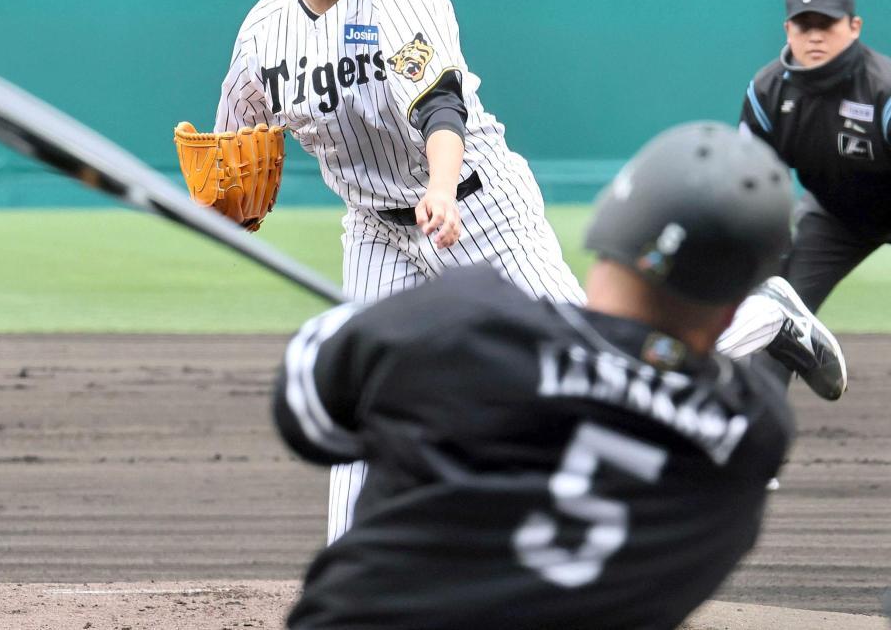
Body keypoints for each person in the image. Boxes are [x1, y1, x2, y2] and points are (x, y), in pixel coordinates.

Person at [208, 0, 843, 540]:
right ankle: (345, 560)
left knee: (603, 368)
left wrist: (442, 189)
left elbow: (439, 108)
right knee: (369, 386)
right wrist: (224, 210)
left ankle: (763, 319)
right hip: (374, 228)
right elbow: (233, 145)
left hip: (478, 205)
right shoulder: (262, 32)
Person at [273, 122, 795, 630]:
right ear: (734, 308)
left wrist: (384, 340)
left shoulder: (460, 323)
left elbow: (305, 415)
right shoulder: (752, 437)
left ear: (609, 228)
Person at [742, 0, 891, 316]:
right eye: (803, 26)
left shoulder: (883, 89)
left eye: (826, 25)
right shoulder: (767, 91)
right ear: (787, 31)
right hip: (834, 216)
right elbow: (753, 186)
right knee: (772, 319)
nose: (814, 37)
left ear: (854, 27)